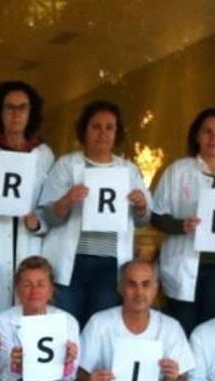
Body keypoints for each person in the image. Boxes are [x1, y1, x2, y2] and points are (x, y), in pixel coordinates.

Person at [37, 100, 151, 327]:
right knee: (65, 327)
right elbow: (49, 216)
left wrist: (140, 206)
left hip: (110, 266)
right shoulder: (67, 165)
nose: (103, 133)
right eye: (96, 127)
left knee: (99, 328)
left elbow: (143, 219)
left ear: (117, 133)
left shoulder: (128, 170)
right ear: (84, 130)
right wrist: (67, 199)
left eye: (110, 127)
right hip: (72, 263)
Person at [150, 108, 215, 334]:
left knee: (212, 333)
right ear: (197, 136)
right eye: (207, 131)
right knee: (181, 331)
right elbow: (156, 216)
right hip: (184, 265)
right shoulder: (178, 171)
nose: (213, 137)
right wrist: (180, 226)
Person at [0, 81, 55, 315]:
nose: (16, 114)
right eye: (9, 107)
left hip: (27, 242)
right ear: (0, 111)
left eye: (22, 108)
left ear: (31, 112)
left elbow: (49, 205)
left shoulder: (43, 154)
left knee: (27, 312)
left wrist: (38, 223)